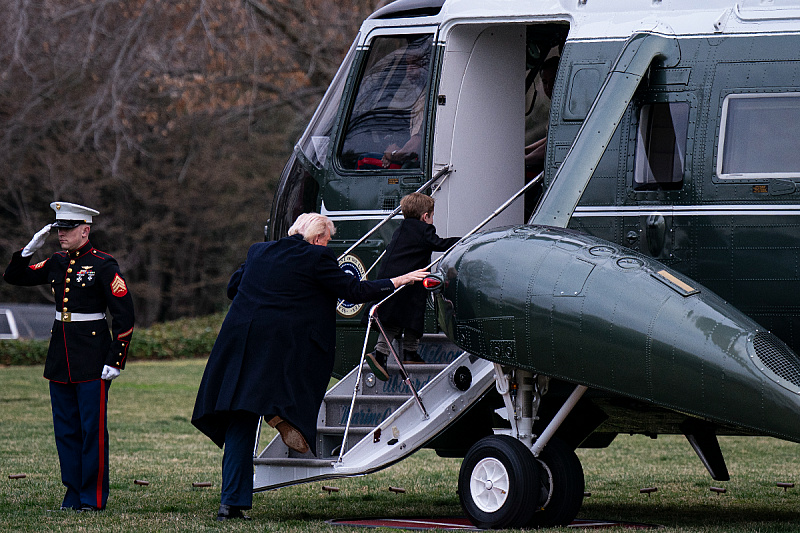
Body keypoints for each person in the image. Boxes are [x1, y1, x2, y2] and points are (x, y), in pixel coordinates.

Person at [191, 212, 427, 521]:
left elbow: (234, 287)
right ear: (317, 238)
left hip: (239, 344)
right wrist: (402, 279)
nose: (328, 244)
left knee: (240, 419)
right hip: (280, 348)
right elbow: (353, 291)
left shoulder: (258, 251)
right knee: (293, 386)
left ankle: (229, 505)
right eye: (327, 239)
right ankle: (278, 411)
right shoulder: (317, 256)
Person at [3, 202, 135, 512]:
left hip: (92, 357)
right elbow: (14, 277)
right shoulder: (57, 261)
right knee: (66, 430)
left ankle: (92, 497)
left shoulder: (104, 265)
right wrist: (27, 250)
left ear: (85, 230)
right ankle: (72, 494)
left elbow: (125, 315)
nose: (61, 234)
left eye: (68, 228)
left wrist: (116, 359)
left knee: (92, 431)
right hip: (60, 356)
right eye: (59, 228)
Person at [365, 193, 460, 381]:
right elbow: (438, 244)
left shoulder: (402, 228)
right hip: (410, 281)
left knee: (395, 317)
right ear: (425, 216)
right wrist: (462, 241)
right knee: (413, 316)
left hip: (393, 278)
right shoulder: (424, 230)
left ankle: (401, 354)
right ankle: (386, 353)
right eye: (432, 216)